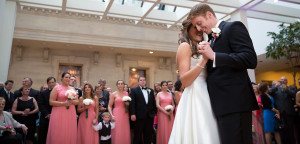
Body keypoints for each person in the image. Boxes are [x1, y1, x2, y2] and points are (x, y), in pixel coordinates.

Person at [189, 4, 258, 144]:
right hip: (222, 105)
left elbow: (250, 59)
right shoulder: (211, 39)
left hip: (235, 103)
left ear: (209, 15)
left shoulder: (233, 27)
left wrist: (215, 56)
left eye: (199, 23)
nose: (198, 29)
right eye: (196, 26)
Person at [169, 19, 220, 144]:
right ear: (187, 29)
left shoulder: (200, 46)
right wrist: (203, 60)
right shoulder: (185, 46)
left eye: (200, 27)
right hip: (195, 95)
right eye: (195, 27)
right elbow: (185, 81)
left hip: (207, 93)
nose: (199, 30)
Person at [46, 72, 79, 144]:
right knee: (58, 130)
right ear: (62, 78)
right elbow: (51, 102)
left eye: (69, 78)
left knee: (69, 130)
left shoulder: (72, 88)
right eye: (66, 77)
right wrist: (64, 103)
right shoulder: (56, 88)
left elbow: (77, 102)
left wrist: (71, 100)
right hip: (58, 112)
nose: (68, 79)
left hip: (70, 112)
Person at [269, 76, 296, 144]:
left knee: (290, 130)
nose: (283, 81)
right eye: (281, 80)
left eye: (284, 80)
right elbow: (269, 92)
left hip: (289, 112)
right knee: (281, 130)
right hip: (279, 112)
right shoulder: (275, 89)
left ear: (286, 82)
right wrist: (275, 87)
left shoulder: (290, 88)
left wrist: (286, 89)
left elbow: (294, 95)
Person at [130, 76, 157, 144]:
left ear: (145, 81)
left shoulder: (151, 90)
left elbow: (153, 103)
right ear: (138, 82)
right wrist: (133, 114)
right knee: (137, 135)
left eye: (144, 80)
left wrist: (154, 113)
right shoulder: (134, 90)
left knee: (148, 135)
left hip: (149, 117)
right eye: (141, 80)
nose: (142, 81)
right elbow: (132, 103)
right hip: (138, 117)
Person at [108, 80, 130, 144]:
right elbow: (109, 106)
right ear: (117, 85)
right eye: (119, 84)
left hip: (125, 113)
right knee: (117, 130)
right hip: (116, 113)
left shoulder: (126, 93)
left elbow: (128, 105)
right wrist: (111, 115)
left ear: (123, 85)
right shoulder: (113, 94)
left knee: (124, 130)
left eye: (121, 83)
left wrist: (127, 104)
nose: (120, 85)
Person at [38, 77, 56, 144]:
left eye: (52, 82)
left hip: (56, 116)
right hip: (45, 117)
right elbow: (40, 104)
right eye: (49, 83)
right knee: (43, 135)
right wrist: (47, 114)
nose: (51, 84)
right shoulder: (43, 93)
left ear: (55, 83)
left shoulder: (59, 93)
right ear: (47, 84)